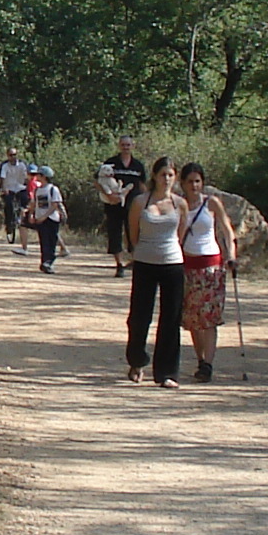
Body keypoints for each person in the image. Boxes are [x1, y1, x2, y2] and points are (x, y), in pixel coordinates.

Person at [125, 157, 187, 387]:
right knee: (140, 316)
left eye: (171, 175)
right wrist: (140, 250)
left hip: (172, 262)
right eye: (163, 174)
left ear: (175, 177)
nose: (167, 179)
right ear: (154, 176)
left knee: (171, 317)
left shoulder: (180, 203)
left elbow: (181, 233)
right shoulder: (141, 202)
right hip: (144, 261)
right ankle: (137, 360)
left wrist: (170, 251)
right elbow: (133, 232)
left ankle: (167, 372)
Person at [175, 161, 238, 383]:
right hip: (188, 265)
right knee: (193, 317)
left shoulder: (212, 204)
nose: (194, 185)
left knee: (209, 317)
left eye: (198, 181)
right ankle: (200, 360)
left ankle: (208, 364)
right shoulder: (179, 205)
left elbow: (227, 230)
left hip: (211, 266)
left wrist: (231, 254)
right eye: (190, 181)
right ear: (182, 183)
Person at [97, 138, 145, 277]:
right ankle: (119, 265)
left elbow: (143, 185)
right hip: (113, 205)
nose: (126, 147)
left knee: (134, 233)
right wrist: (109, 195)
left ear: (133, 146)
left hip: (133, 205)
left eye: (128, 145)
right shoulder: (110, 163)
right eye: (123, 145)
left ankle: (135, 261)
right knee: (115, 233)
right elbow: (98, 181)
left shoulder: (137, 165)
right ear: (119, 146)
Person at [25, 167, 67, 272]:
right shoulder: (37, 190)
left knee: (51, 241)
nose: (37, 176)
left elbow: (54, 205)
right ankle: (44, 261)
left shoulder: (53, 189)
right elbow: (34, 204)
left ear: (44, 177)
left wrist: (45, 216)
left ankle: (49, 262)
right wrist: (31, 215)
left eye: (39, 175)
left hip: (51, 219)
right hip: (40, 219)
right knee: (44, 241)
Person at [0, 146, 31, 246]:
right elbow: (2, 178)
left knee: (26, 203)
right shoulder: (4, 166)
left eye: (15, 155)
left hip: (20, 187)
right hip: (9, 188)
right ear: (8, 156)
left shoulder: (22, 165)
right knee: (8, 205)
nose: (13, 157)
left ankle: (25, 221)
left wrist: (28, 187)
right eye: (11, 155)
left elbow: (26, 177)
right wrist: (4, 188)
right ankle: (9, 225)